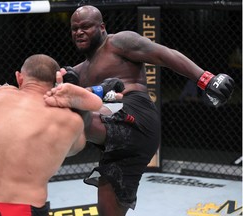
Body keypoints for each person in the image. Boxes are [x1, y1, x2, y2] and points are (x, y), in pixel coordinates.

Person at [53, 5, 234, 216]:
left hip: (136, 117)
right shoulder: (80, 70)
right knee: (108, 211)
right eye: (74, 28)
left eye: (85, 26)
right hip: (115, 145)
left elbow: (164, 54)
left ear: (102, 27)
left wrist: (205, 78)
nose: (79, 32)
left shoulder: (118, 42)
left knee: (73, 113)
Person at [0, 54, 103, 216]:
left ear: (19, 78)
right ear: (56, 81)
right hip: (26, 208)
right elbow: (74, 148)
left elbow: (5, 91)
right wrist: (76, 105)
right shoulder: (70, 121)